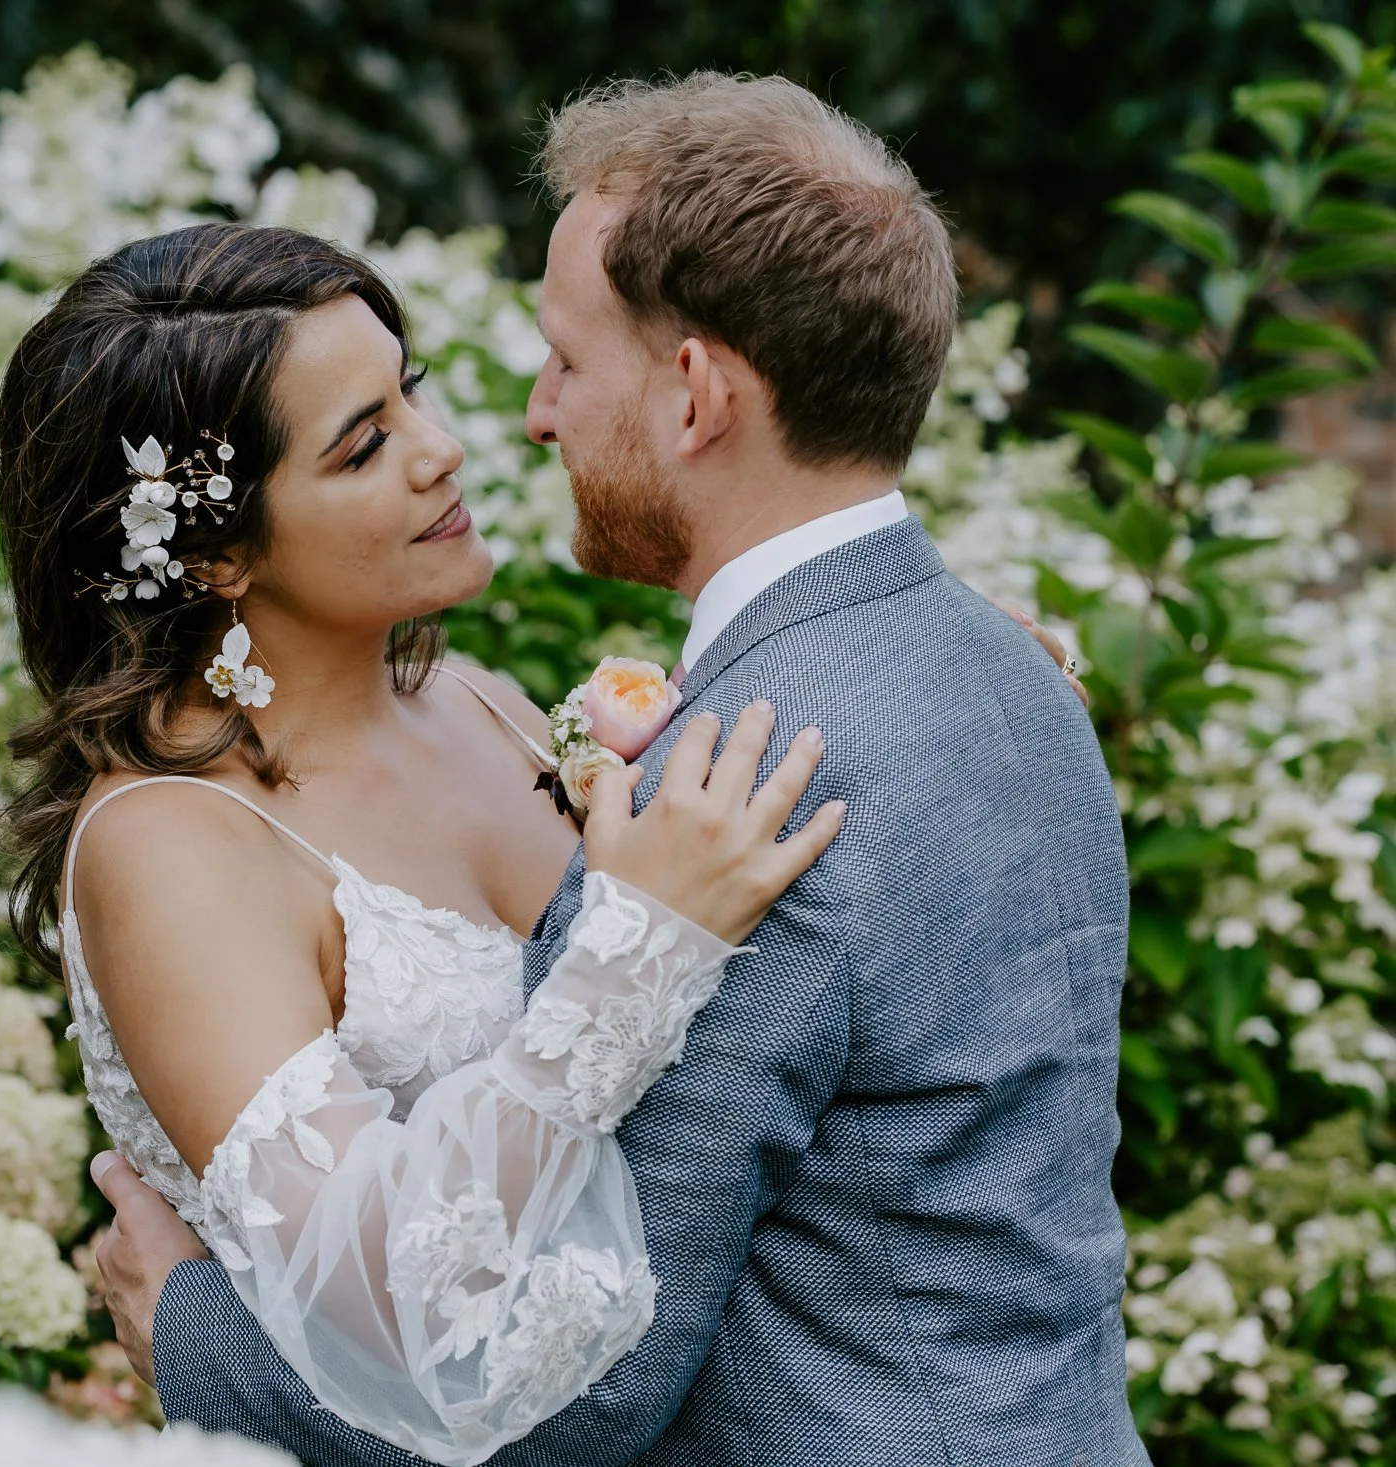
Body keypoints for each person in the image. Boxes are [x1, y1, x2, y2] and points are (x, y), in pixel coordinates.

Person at [81, 73, 1146, 1467]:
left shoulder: (749, 792)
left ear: (696, 393)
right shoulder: (1000, 675)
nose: (517, 419)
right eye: (369, 435)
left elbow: (579, 1386)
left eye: (566, 362)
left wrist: (191, 1332)